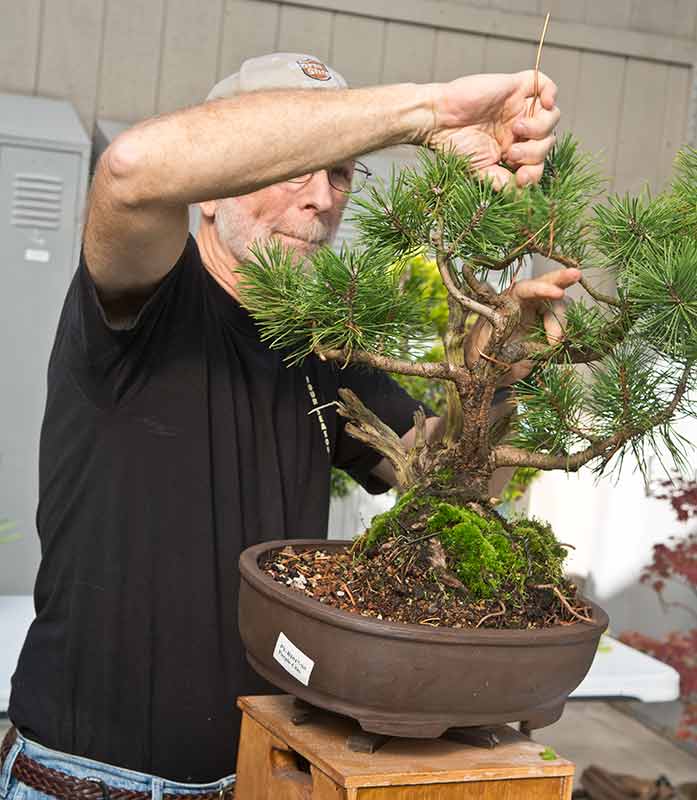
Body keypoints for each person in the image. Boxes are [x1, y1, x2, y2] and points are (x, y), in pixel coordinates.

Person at [0, 52, 574, 800]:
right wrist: (429, 113)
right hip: (91, 783)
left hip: (259, 777)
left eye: (341, 173)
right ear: (210, 192)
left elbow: (451, 477)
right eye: (296, 166)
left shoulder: (321, 348)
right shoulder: (143, 304)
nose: (322, 199)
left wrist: (496, 373)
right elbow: (134, 166)